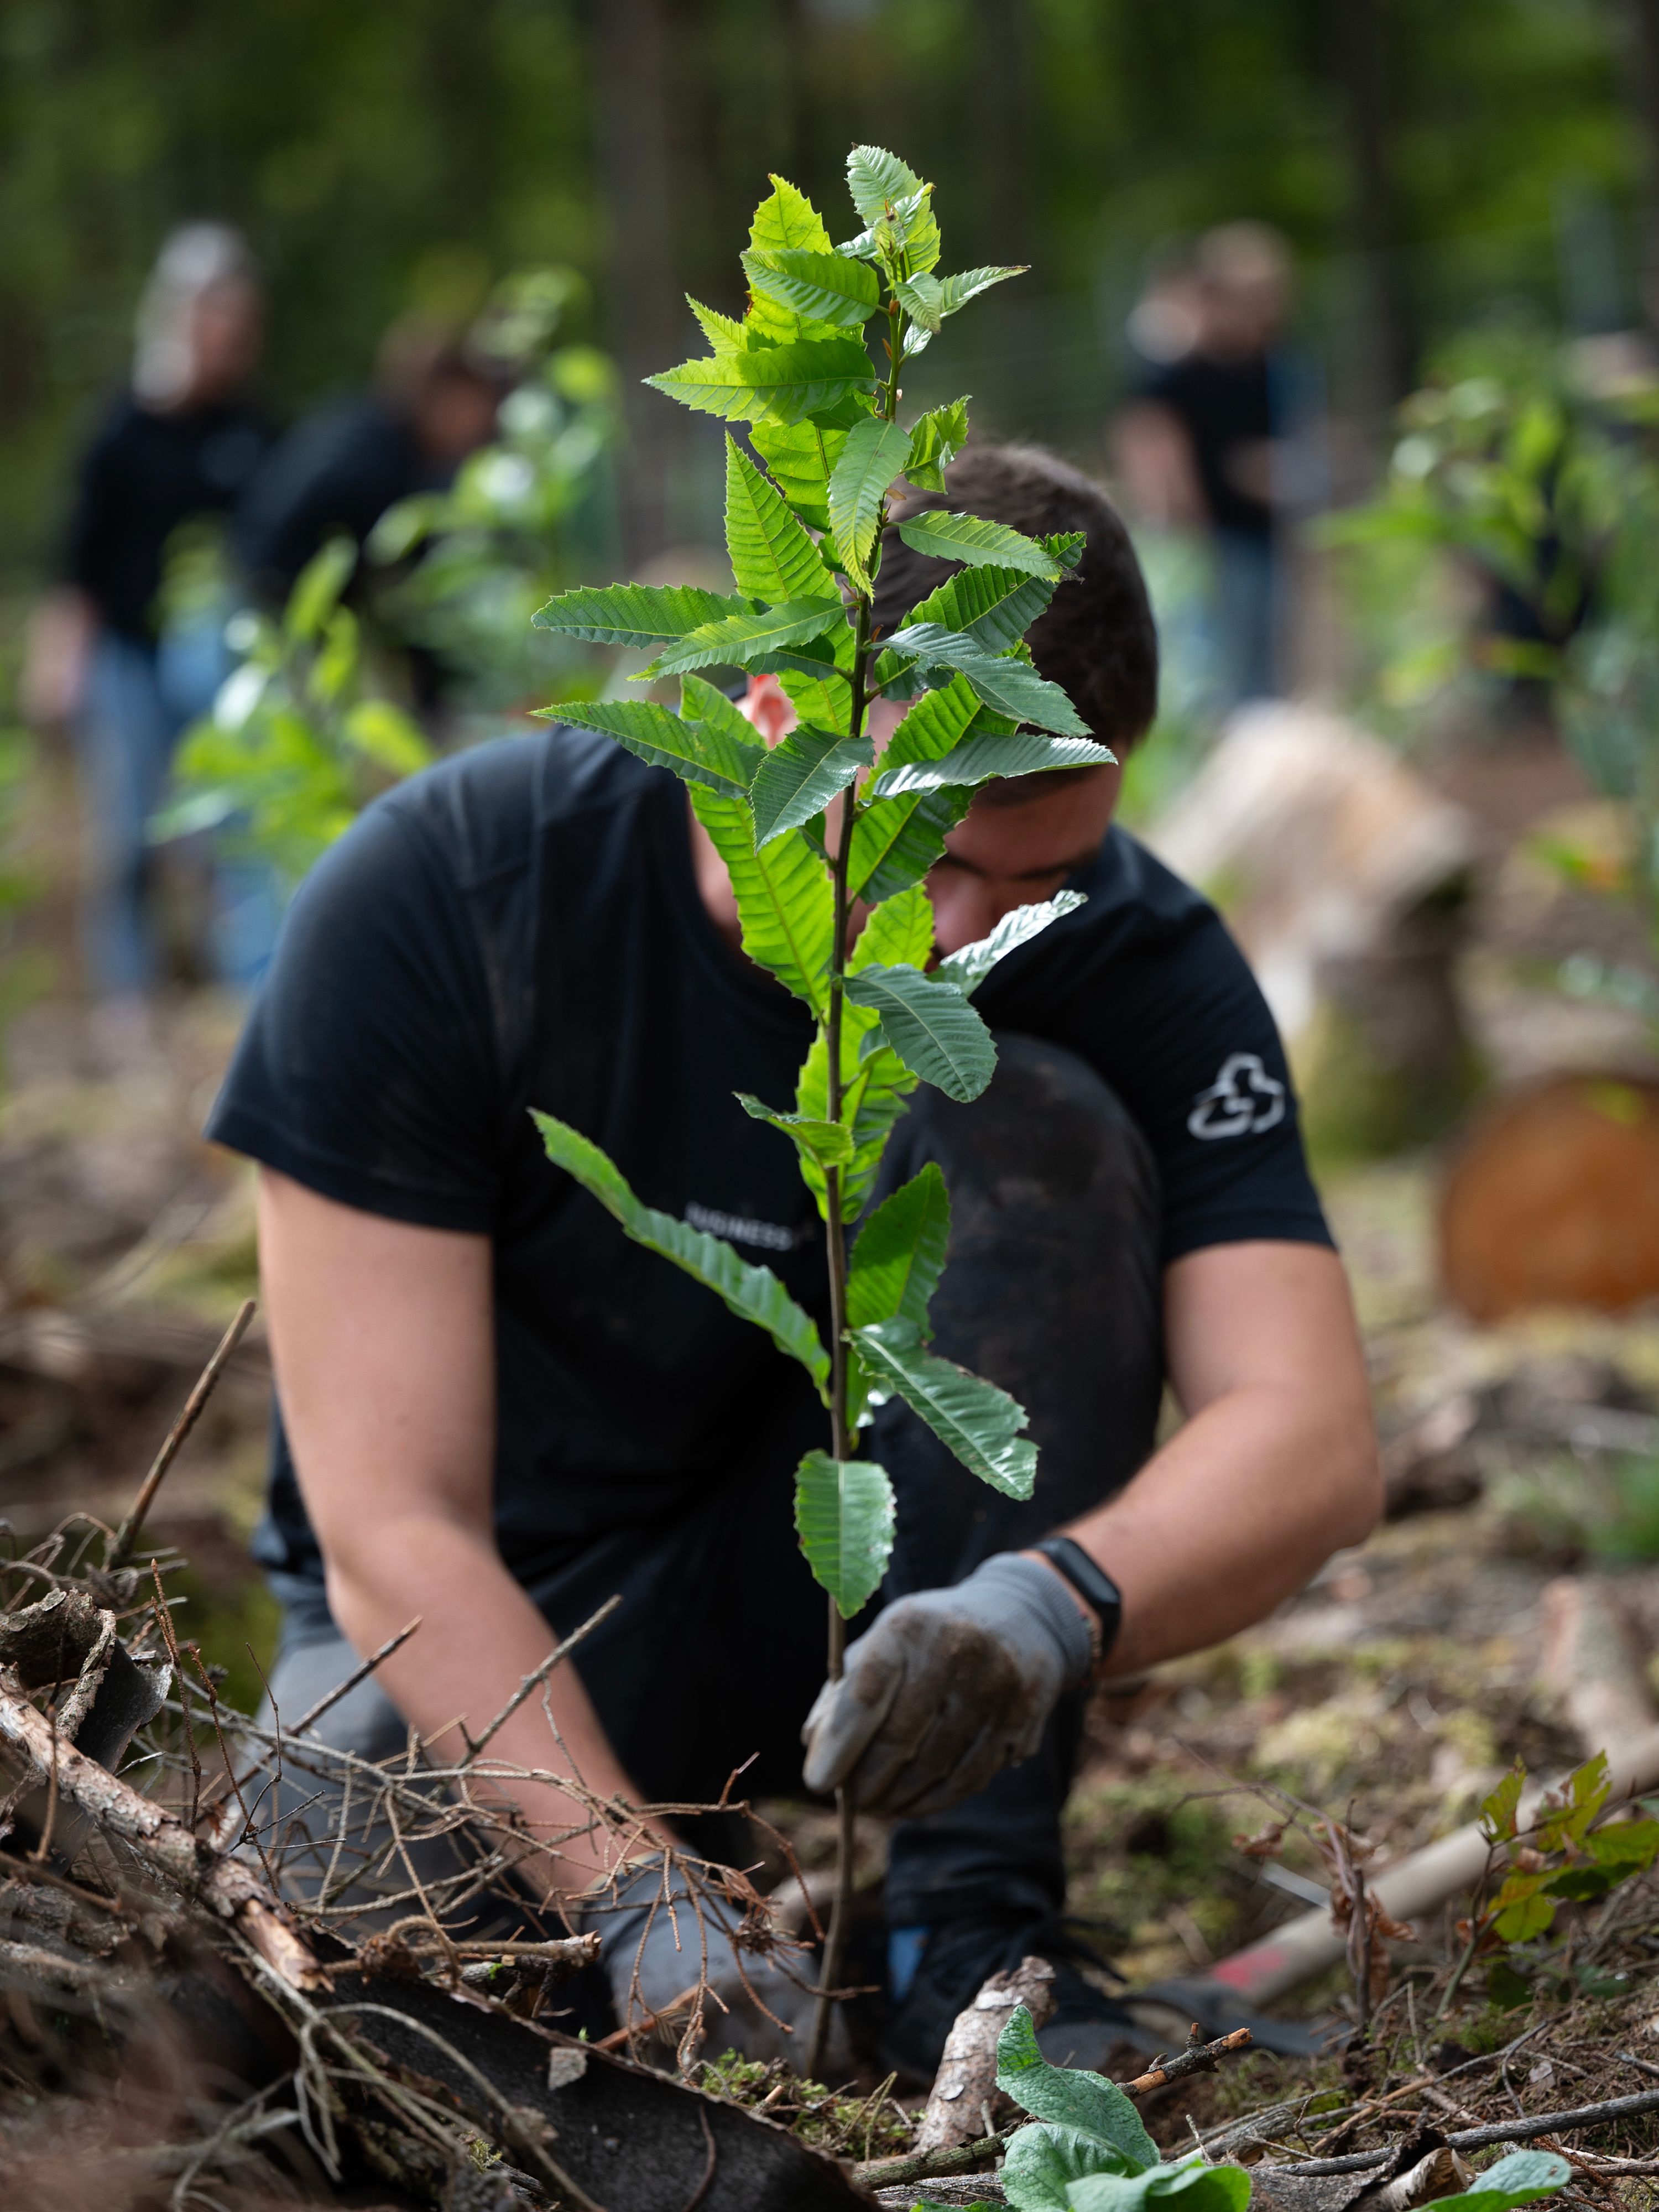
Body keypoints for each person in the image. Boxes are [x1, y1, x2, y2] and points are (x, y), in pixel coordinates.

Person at [206, 445, 1380, 2081]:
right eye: (930, 855)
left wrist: (1046, 1608)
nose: (968, 933)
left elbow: (1313, 1432)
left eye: (1035, 876)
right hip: (490, 1642)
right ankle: (689, 1914)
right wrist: (631, 1893)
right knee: (347, 1923)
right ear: (772, 712)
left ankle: (965, 1930)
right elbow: (392, 1529)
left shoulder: (1126, 953)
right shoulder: (449, 899)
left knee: (1033, 1115)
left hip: (859, 1629)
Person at [22, 223, 275, 1027]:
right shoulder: (124, 428)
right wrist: (59, 658)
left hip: (219, 662)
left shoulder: (252, 431)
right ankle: (126, 1001)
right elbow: (78, 559)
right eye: (213, 320)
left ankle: (240, 985)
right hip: (128, 655)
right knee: (130, 829)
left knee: (230, 827)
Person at [1113, 223, 1297, 709]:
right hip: (1210, 542)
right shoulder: (1178, 376)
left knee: (1263, 666)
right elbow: (1157, 457)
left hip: (1261, 532)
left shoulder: (1268, 367)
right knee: (1213, 675)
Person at [235, 317, 505, 624]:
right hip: (261, 608)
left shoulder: (361, 419)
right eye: (478, 407)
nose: (482, 429)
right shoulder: (375, 463)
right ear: (445, 397)